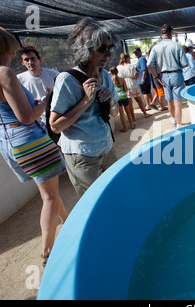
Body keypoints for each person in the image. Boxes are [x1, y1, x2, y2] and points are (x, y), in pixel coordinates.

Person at [0, 24, 68, 267]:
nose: (13, 56)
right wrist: (45, 101)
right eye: (12, 50)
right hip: (28, 140)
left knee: (49, 192)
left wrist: (20, 109)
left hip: (5, 139)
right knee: (48, 197)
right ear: (1, 46)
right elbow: (26, 117)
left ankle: (68, 220)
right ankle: (48, 252)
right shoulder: (2, 72)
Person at [49, 17, 120, 197]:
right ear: (85, 49)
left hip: (106, 148)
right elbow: (55, 125)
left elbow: (115, 113)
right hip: (83, 157)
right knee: (95, 201)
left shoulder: (105, 76)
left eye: (110, 48)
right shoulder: (67, 80)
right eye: (102, 49)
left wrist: (110, 101)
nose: (109, 54)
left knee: (115, 193)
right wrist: (85, 102)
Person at [147, 24, 188, 129]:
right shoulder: (177, 45)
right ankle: (179, 125)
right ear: (170, 33)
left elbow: (149, 65)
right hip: (176, 74)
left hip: (163, 76)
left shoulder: (155, 48)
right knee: (178, 101)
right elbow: (185, 64)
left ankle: (173, 118)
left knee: (169, 100)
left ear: (162, 34)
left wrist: (156, 77)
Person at [17, 46, 59, 123]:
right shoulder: (19, 80)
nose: (30, 62)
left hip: (57, 117)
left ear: (39, 60)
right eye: (26, 60)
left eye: (33, 59)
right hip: (38, 122)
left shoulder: (54, 74)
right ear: (22, 63)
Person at [117, 53, 151, 119]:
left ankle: (133, 117)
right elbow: (135, 77)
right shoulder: (131, 66)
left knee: (129, 103)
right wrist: (137, 73)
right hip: (133, 84)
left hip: (124, 85)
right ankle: (145, 113)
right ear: (127, 58)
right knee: (139, 100)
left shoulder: (118, 67)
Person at [110, 66, 134, 132]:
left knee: (121, 113)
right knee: (128, 111)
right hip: (124, 96)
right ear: (117, 71)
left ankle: (125, 128)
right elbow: (126, 89)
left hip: (117, 98)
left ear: (111, 73)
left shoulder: (111, 80)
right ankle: (131, 125)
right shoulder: (122, 79)